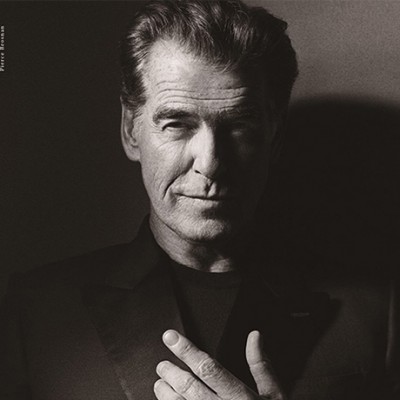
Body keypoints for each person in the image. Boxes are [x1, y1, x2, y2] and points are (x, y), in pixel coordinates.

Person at [0, 1, 398, 399]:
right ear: (131, 131)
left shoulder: (376, 314)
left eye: (239, 125)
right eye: (177, 124)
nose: (210, 164)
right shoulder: (34, 311)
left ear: (274, 137)